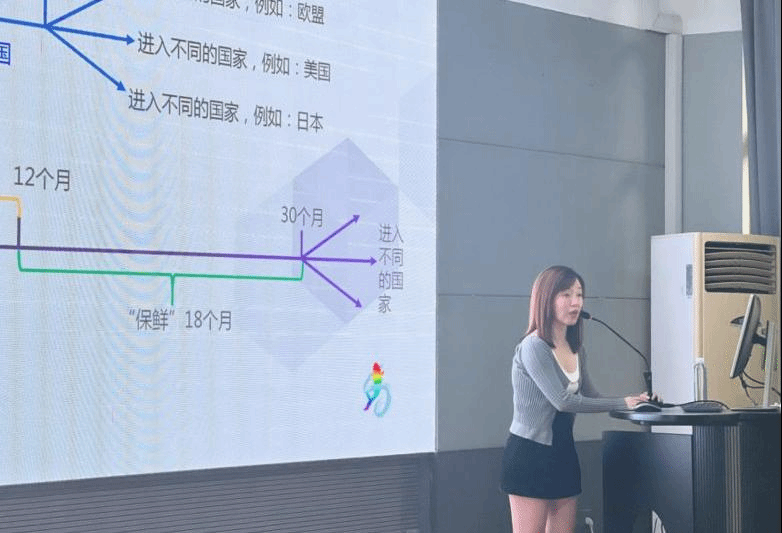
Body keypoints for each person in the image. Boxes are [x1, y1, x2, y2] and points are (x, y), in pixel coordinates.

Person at [500, 265, 651, 533]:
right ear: (547, 299)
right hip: (530, 454)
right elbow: (563, 401)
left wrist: (634, 400)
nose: (575, 302)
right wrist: (621, 403)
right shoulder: (533, 346)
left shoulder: (576, 349)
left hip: (563, 451)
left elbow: (591, 396)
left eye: (579, 295)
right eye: (566, 295)